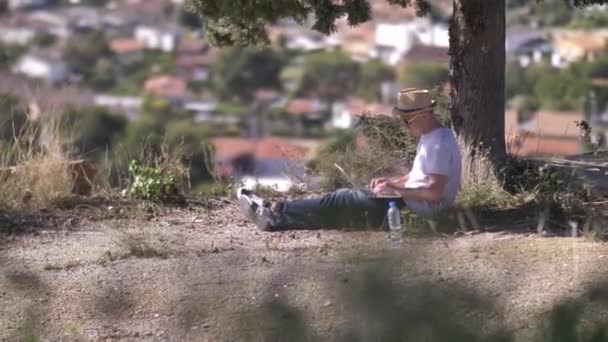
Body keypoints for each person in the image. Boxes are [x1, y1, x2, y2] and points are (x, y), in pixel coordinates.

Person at [237, 88, 462, 231]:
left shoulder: (438, 142)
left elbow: (434, 192)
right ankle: (276, 215)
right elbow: (417, 177)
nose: (404, 125)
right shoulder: (430, 136)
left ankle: (276, 214)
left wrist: (398, 192)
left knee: (340, 200)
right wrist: (391, 183)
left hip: (417, 209)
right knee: (342, 207)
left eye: (407, 121)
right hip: (409, 201)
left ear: (423, 115)